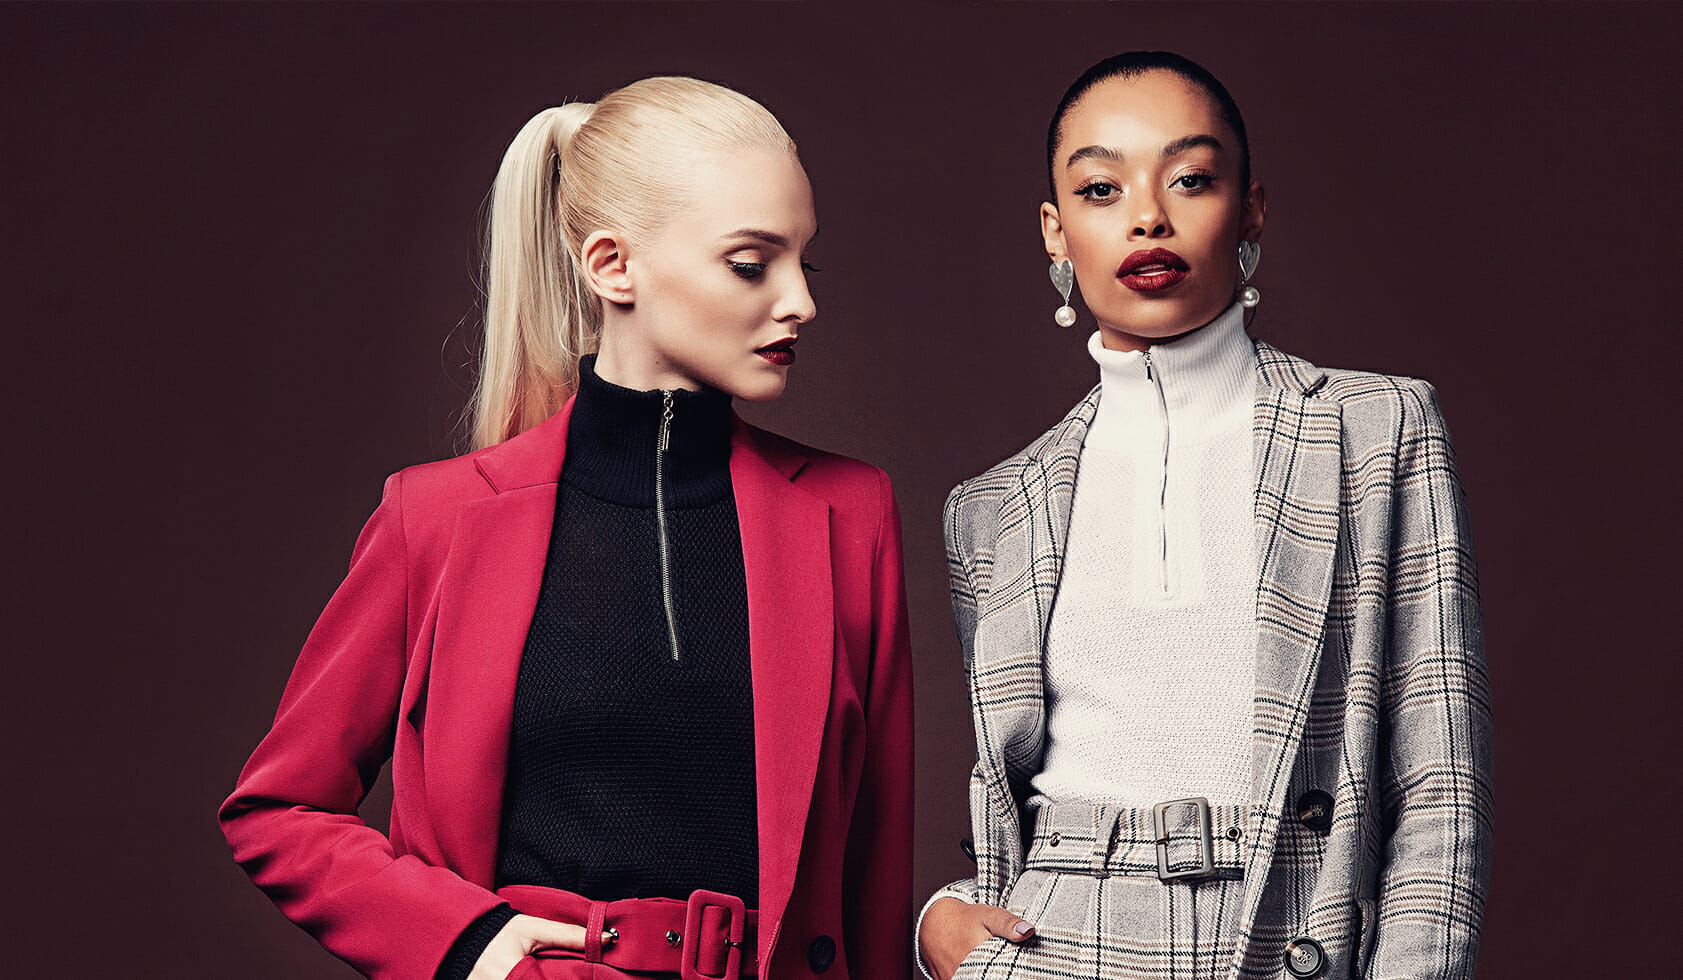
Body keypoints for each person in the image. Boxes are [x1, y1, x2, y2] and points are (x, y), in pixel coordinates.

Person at [220, 76, 914, 980]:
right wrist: (463, 940)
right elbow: (278, 808)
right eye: (752, 264)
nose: (799, 302)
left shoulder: (848, 513)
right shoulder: (433, 518)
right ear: (610, 265)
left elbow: (872, 865)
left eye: (802, 264)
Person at [916, 52, 1491, 980]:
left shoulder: (1374, 429)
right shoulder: (993, 508)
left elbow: (1438, 788)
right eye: (1102, 189)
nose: (1148, 215)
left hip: (1288, 927)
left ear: (1249, 209)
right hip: (1053, 943)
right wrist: (944, 932)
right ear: (1055, 235)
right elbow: (1002, 809)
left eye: (1189, 178)